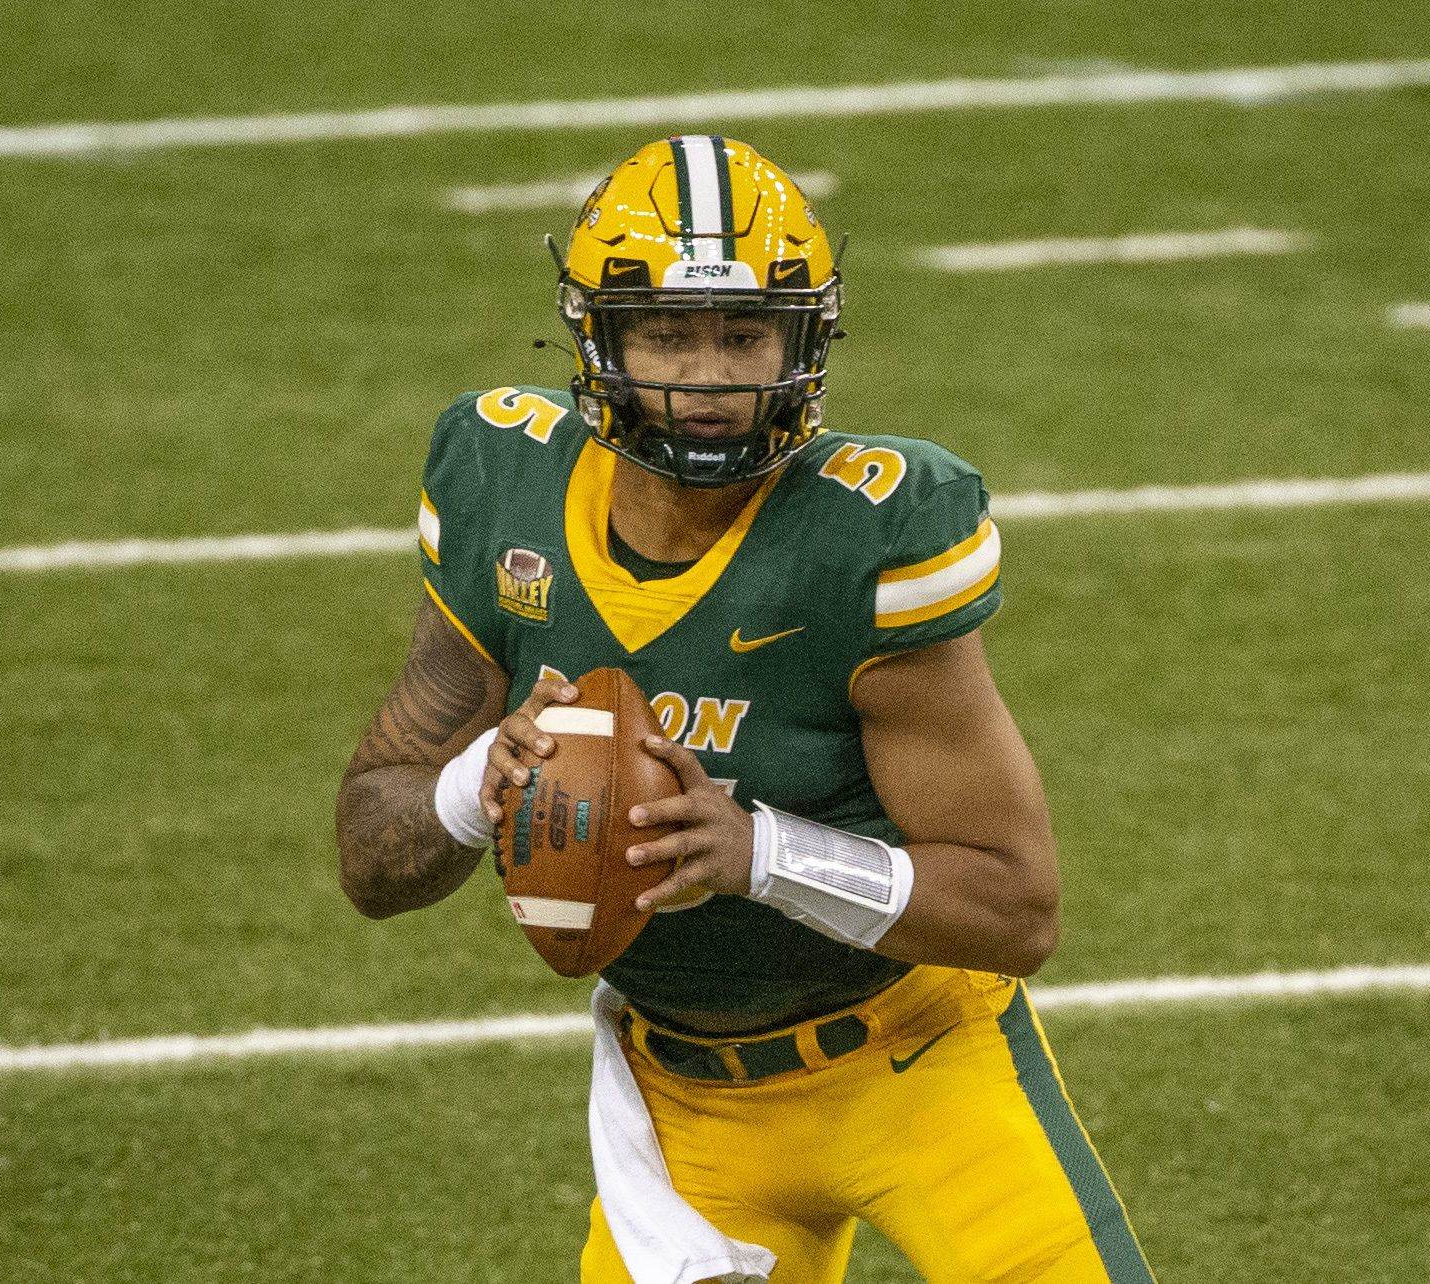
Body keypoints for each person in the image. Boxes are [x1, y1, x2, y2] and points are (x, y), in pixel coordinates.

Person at [336, 136, 1155, 1283]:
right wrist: (480, 785)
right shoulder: (502, 486)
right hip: (687, 1111)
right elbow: (372, 860)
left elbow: (1016, 912)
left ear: (802, 341)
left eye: (743, 333)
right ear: (600, 340)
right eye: (668, 331)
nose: (711, 376)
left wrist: (758, 852)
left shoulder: (868, 533)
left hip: (916, 1060)